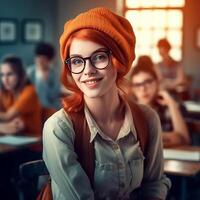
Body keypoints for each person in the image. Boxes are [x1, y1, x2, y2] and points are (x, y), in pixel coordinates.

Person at [43, 7, 171, 200]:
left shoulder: (147, 118)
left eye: (99, 57)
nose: (88, 70)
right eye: (77, 61)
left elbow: (154, 184)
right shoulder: (58, 128)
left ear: (119, 61)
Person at [130, 62, 190, 147]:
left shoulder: (169, 107)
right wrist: (172, 137)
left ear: (157, 82)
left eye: (148, 82)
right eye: (137, 85)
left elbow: (184, 140)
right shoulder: (128, 110)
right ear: (132, 89)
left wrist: (171, 103)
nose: (143, 88)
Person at [0, 56, 42, 137]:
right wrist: (3, 127)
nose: (5, 79)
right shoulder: (6, 92)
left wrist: (3, 126)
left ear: (20, 75)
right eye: (2, 75)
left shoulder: (30, 92)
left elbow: (7, 117)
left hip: (31, 144)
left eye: (10, 74)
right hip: (13, 140)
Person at [27, 42, 61, 120]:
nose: (40, 62)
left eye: (43, 59)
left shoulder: (54, 73)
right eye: (38, 58)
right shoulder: (29, 73)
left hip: (50, 108)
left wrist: (44, 81)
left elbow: (54, 95)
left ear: (49, 60)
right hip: (33, 109)